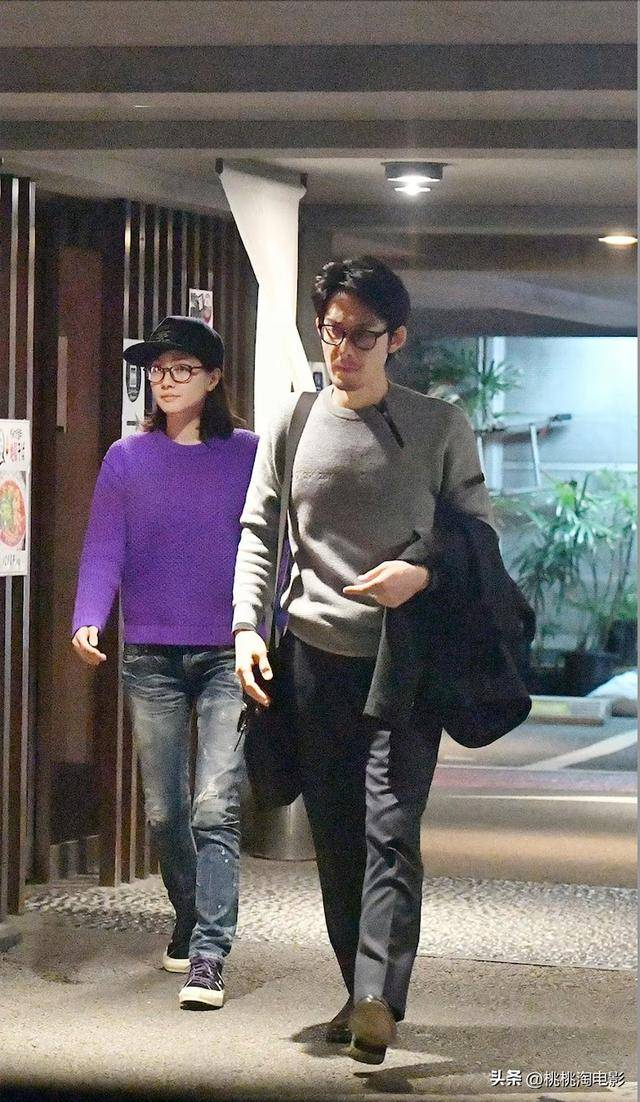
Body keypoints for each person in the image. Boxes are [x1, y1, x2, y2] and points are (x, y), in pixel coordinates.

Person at [233, 256, 495, 1062]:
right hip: (314, 658)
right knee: (340, 835)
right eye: (332, 332)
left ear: (397, 338)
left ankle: (378, 997)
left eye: (361, 336)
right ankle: (358, 987)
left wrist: (422, 574)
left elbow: (477, 537)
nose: (342, 350)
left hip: (405, 660)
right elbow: (260, 529)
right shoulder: (295, 420)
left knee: (391, 827)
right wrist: (246, 627)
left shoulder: (438, 426)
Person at [72, 316, 258, 1010]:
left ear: (213, 378)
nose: (167, 381)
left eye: (182, 369)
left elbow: (271, 545)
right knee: (163, 811)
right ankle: (188, 913)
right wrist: (89, 614)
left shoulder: (248, 454)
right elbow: (104, 545)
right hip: (149, 653)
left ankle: (209, 953)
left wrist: (260, 628)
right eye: (158, 370)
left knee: (214, 806)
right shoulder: (127, 458)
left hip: (225, 651)